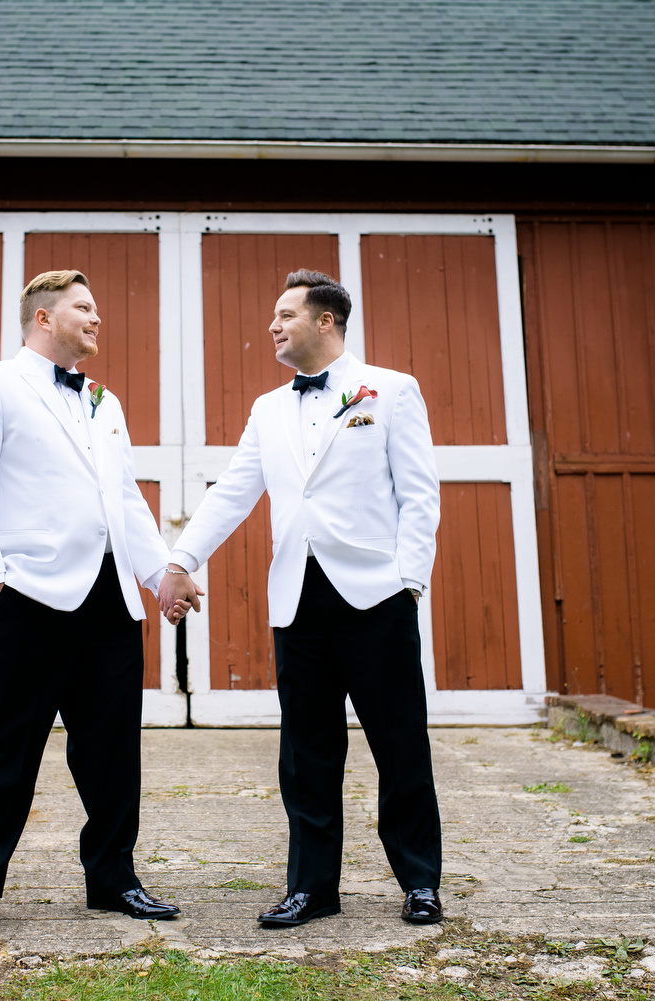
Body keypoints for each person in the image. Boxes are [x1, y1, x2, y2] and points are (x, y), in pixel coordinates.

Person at [158, 269, 445, 927]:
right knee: (307, 752)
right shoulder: (268, 409)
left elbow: (420, 493)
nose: (273, 325)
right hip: (297, 601)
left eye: (286, 314)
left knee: (401, 744)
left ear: (325, 321)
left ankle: (420, 881)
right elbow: (234, 490)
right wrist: (180, 559)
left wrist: (409, 580)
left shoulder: (392, 391)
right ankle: (312, 886)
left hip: (377, 596)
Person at [0, 270, 183, 939]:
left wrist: (161, 571)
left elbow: (125, 499)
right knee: (4, 750)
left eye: (97, 307)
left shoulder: (105, 401)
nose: (97, 317)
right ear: (43, 318)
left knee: (111, 751)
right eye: (84, 307)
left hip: (109, 601)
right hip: (29, 595)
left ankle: (113, 878)